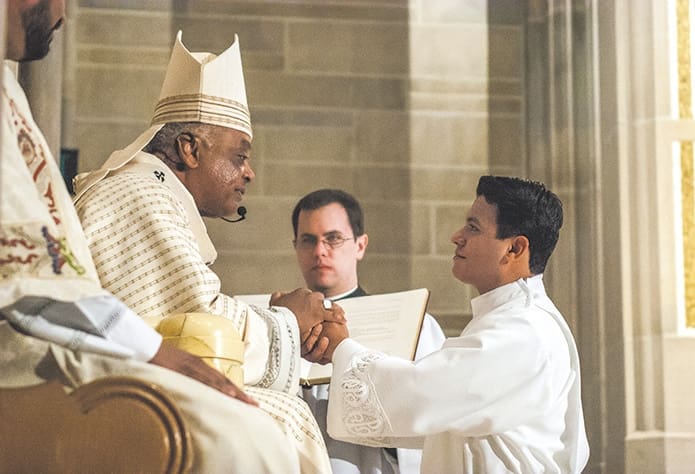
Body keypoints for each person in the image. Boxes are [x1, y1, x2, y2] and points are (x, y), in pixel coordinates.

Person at [0, 2, 332, 472]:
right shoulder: (142, 194)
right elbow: (194, 325)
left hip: (77, 348)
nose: (63, 15)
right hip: (44, 369)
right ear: (189, 149)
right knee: (255, 430)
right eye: (239, 156)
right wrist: (287, 324)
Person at [300, 176, 590, 473]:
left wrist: (341, 349)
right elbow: (439, 422)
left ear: (514, 249)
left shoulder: (524, 331)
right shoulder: (506, 320)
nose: (457, 236)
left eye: (473, 227)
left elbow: (423, 394)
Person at [291, 188, 446, 473]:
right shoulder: (277, 325)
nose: (319, 251)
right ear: (295, 247)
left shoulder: (412, 324)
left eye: (333, 239)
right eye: (308, 240)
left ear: (360, 245)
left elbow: (433, 413)